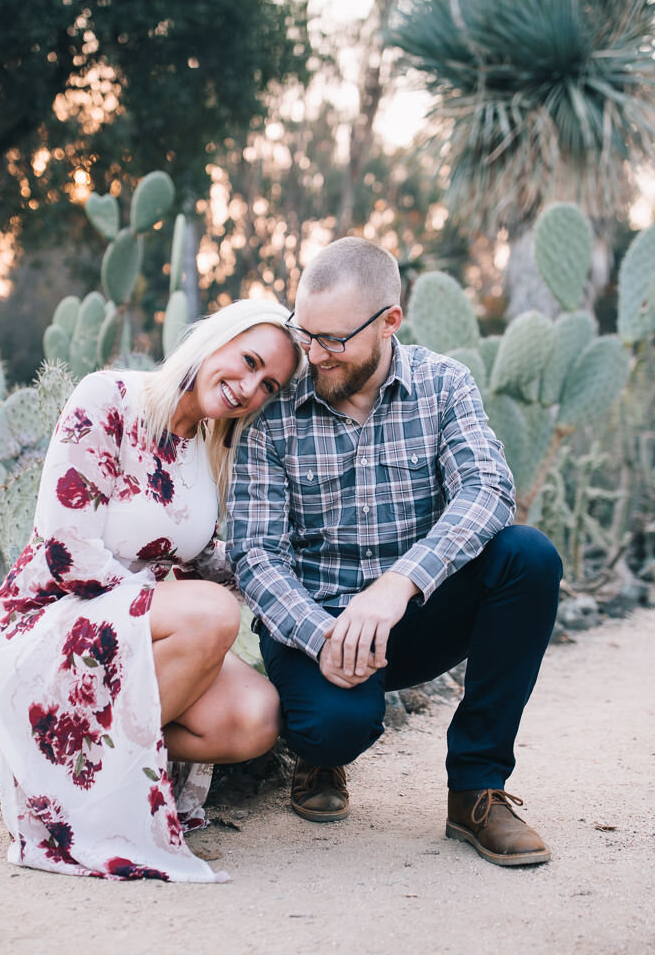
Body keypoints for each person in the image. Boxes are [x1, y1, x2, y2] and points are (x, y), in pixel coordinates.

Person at [225, 237, 563, 867]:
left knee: (529, 558)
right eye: (305, 334)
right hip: (315, 626)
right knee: (332, 728)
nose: (313, 356)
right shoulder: (274, 413)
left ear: (389, 323)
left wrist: (399, 584)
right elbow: (256, 553)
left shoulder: (443, 385)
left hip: (413, 612)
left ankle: (476, 790)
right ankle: (318, 762)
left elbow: (488, 489)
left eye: (334, 340)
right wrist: (324, 635)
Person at [0, 299, 304, 883]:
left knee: (258, 716)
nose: (250, 388)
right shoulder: (109, 398)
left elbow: (200, 559)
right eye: (248, 361)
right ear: (215, 341)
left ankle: (78, 760)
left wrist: (299, 579)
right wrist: (176, 606)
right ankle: (84, 783)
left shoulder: (210, 444)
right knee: (209, 614)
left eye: (269, 384)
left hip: (132, 628)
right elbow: (64, 548)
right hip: (50, 616)